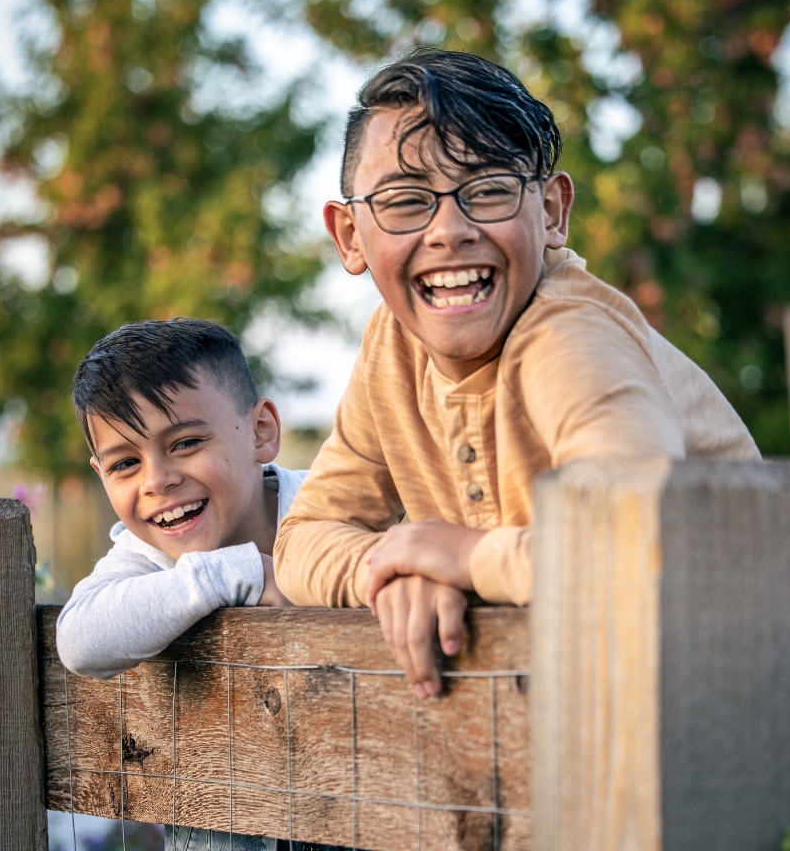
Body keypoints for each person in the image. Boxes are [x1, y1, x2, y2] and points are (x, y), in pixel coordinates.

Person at [274, 49, 760, 701]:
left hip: (724, 702)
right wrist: (394, 571)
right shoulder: (393, 347)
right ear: (349, 236)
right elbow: (303, 539)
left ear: (553, 212)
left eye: (490, 191)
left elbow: (638, 531)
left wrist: (468, 558)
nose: (450, 230)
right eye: (404, 201)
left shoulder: (569, 333)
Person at [56, 317, 342, 851]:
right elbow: (79, 638)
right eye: (125, 463)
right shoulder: (148, 554)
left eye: (185, 442)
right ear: (100, 475)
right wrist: (244, 572)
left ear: (262, 432)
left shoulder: (332, 513)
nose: (156, 480)